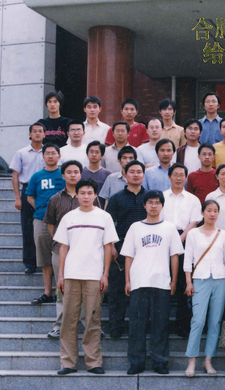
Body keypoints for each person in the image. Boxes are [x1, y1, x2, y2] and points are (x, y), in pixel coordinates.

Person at [54, 179, 118, 375]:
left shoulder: (104, 217)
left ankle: (93, 362)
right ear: (77, 195)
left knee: (92, 319)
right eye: (82, 193)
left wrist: (105, 274)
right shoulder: (68, 217)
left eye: (90, 193)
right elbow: (63, 247)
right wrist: (61, 275)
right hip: (71, 274)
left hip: (94, 275)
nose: (86, 196)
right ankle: (68, 362)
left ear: (95, 195)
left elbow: (108, 247)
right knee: (69, 320)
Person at [122, 190, 183, 375]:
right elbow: (129, 256)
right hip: (139, 281)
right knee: (136, 324)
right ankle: (136, 361)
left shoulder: (169, 228)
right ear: (144, 205)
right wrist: (127, 280)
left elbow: (174, 256)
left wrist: (174, 280)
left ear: (162, 206)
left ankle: (160, 361)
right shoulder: (135, 227)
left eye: (157, 202)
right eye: (150, 202)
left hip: (161, 281)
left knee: (160, 324)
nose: (154, 206)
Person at [43, 160, 98, 338]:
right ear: (63, 175)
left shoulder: (92, 198)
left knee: (86, 289)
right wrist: (62, 242)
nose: (73, 175)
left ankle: (87, 324)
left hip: (87, 252)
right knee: (62, 289)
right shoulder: (55, 199)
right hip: (61, 250)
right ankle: (59, 325)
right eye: (69, 172)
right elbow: (51, 224)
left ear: (81, 174)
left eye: (76, 172)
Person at [183, 200, 225, 377]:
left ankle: (208, 360)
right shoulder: (193, 234)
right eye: (209, 210)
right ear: (202, 212)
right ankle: (191, 360)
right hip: (200, 279)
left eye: (215, 211)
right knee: (198, 320)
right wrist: (188, 282)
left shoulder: (223, 234)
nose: (212, 214)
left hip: (220, 280)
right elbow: (187, 260)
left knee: (215, 321)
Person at [105, 160, 148, 339]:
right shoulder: (116, 198)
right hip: (121, 247)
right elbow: (108, 224)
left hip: (146, 248)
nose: (136, 175)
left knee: (142, 290)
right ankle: (116, 327)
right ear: (125, 175)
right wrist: (112, 247)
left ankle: (140, 328)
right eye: (132, 172)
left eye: (139, 172)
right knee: (117, 290)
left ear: (143, 175)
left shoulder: (150, 198)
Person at [161, 163, 202, 337]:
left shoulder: (193, 199)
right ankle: (162, 326)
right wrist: (170, 239)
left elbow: (194, 222)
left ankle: (182, 326)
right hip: (163, 240)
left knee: (184, 283)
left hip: (186, 239)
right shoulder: (162, 197)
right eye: (175, 174)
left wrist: (181, 238)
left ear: (186, 178)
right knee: (164, 280)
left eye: (181, 175)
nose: (178, 178)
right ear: (169, 177)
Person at [27, 143, 65, 305]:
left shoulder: (64, 174)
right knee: (44, 257)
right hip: (41, 220)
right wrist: (41, 209)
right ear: (43, 157)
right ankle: (48, 292)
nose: (50, 156)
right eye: (47, 153)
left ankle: (61, 291)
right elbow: (30, 196)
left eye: (53, 153)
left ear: (59, 156)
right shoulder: (36, 176)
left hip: (63, 221)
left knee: (62, 255)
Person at [10, 122, 46, 274]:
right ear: (30, 134)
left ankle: (46, 262)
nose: (37, 133)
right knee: (27, 227)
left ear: (44, 134)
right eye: (34, 131)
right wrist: (18, 198)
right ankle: (30, 263)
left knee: (46, 227)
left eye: (40, 131)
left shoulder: (49, 152)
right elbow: (15, 175)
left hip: (45, 191)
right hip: (27, 191)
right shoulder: (21, 153)